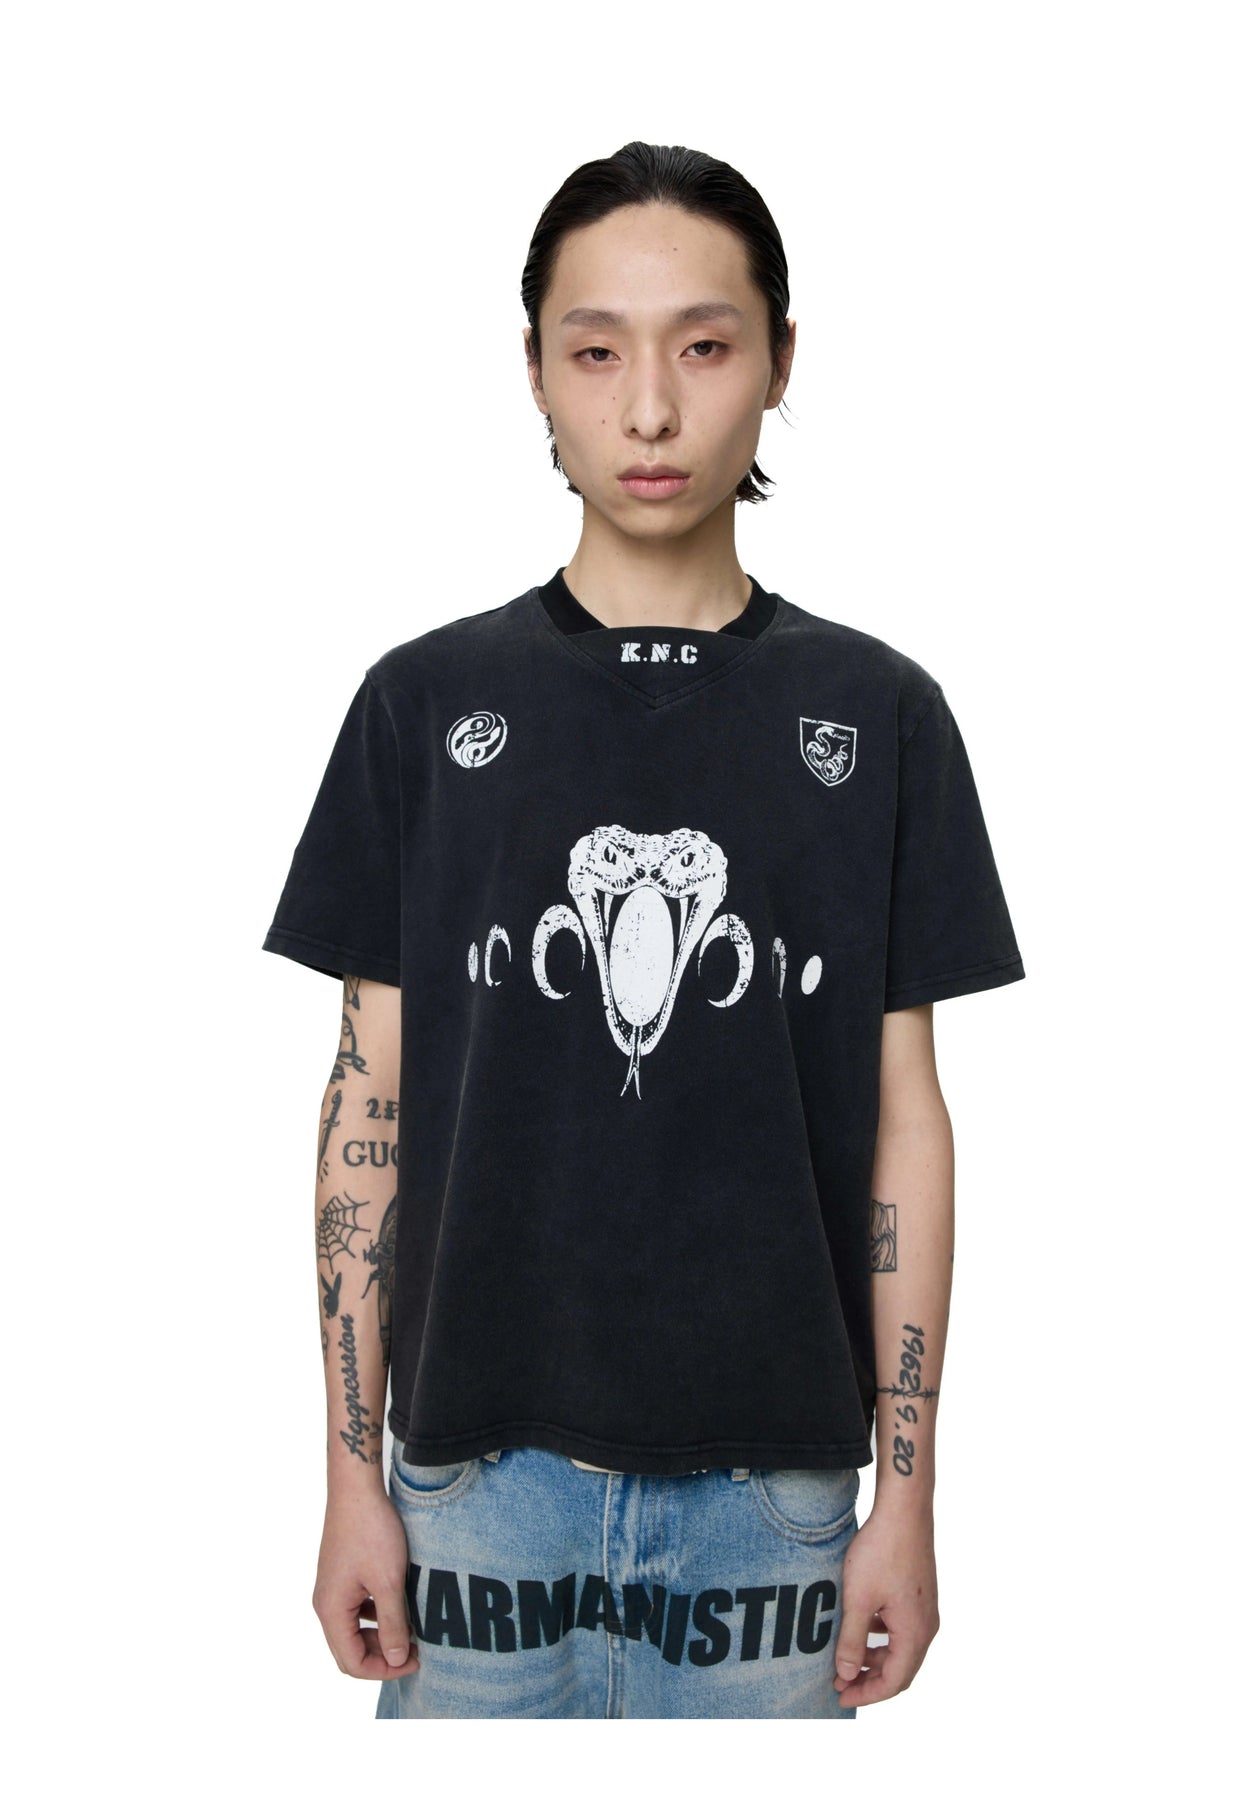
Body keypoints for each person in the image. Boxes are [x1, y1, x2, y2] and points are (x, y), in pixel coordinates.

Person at [261, 140, 1025, 1721]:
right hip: (470, 1482)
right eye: (596, 351)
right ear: (535, 371)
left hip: (775, 1497)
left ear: (779, 361)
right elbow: (365, 1104)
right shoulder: (423, 704)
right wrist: (347, 1477)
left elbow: (905, 1122)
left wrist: (908, 1496)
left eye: (705, 346)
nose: (652, 410)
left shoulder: (879, 714)